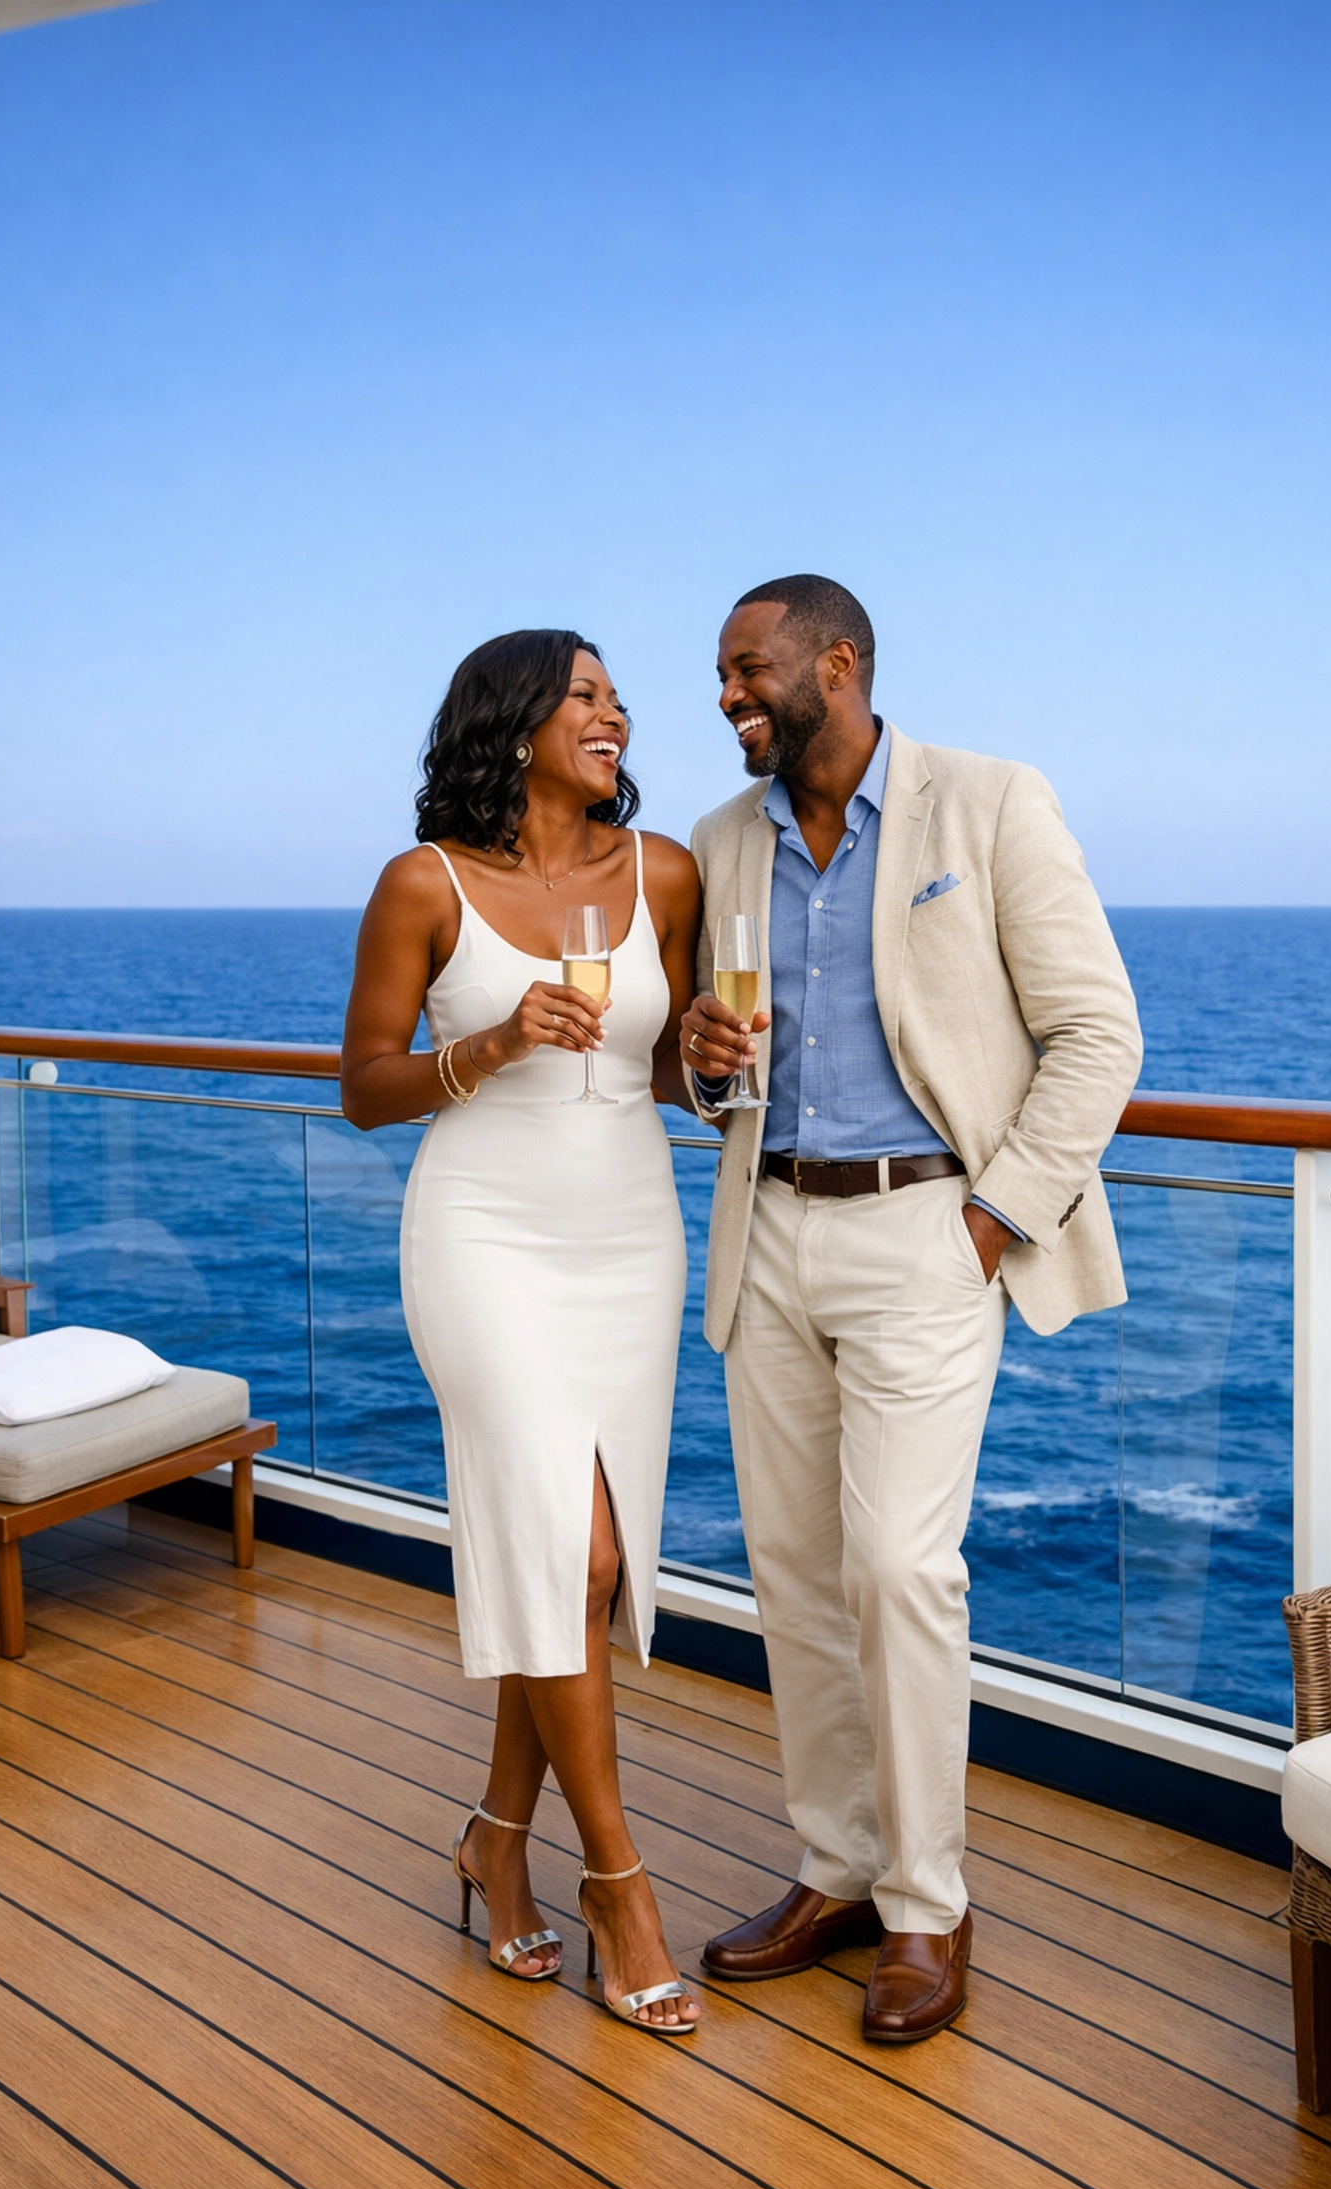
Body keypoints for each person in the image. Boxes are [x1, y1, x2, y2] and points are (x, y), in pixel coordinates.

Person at [679, 576, 1142, 2045]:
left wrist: (995, 1216)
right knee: (796, 1573)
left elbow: (1099, 1034)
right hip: (772, 1231)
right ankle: (838, 1872)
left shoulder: (990, 803)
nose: (728, 697)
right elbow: (718, 1079)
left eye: (749, 670)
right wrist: (702, 1064)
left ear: (841, 662)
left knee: (897, 1568)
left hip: (927, 1234)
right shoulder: (719, 842)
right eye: (720, 676)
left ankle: (930, 1906)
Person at [342, 629, 703, 2035]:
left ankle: (498, 1842)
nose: (614, 714)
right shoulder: (422, 886)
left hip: (630, 1237)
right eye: (585, 696)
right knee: (576, 1551)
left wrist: (710, 1063)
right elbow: (365, 1085)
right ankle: (621, 1885)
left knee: (584, 1569)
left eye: (617, 697)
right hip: (482, 1236)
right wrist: (486, 1047)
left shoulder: (662, 869)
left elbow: (664, 1060)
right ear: (513, 724)